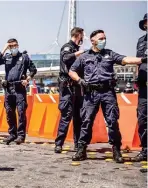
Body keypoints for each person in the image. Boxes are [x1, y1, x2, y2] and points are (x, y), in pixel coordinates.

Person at [69, 29, 145, 163]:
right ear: (93, 41)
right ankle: (81, 149)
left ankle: (116, 150)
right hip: (90, 93)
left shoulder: (110, 54)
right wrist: (80, 81)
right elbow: (72, 71)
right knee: (86, 121)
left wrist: (143, 59)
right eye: (101, 39)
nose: (104, 40)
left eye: (104, 38)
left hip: (107, 93)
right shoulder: (84, 56)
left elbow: (125, 59)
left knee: (112, 121)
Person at [0, 38, 37, 145]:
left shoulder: (24, 57)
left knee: (21, 112)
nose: (14, 48)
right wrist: (4, 48)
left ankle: (21, 135)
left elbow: (33, 69)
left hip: (19, 88)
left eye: (15, 45)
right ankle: (12, 133)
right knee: (9, 112)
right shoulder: (7, 57)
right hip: (8, 88)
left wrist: (27, 79)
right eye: (11, 46)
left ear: (18, 45)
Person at [54, 27, 85, 153]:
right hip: (67, 87)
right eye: (82, 35)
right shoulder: (67, 47)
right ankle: (59, 143)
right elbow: (66, 58)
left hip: (77, 87)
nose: (83, 38)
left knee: (79, 117)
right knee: (66, 116)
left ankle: (78, 144)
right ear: (78, 35)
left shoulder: (78, 49)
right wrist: (79, 53)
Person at [134, 13, 147, 162]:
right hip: (144, 88)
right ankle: (145, 150)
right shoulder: (140, 41)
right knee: (143, 119)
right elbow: (138, 62)